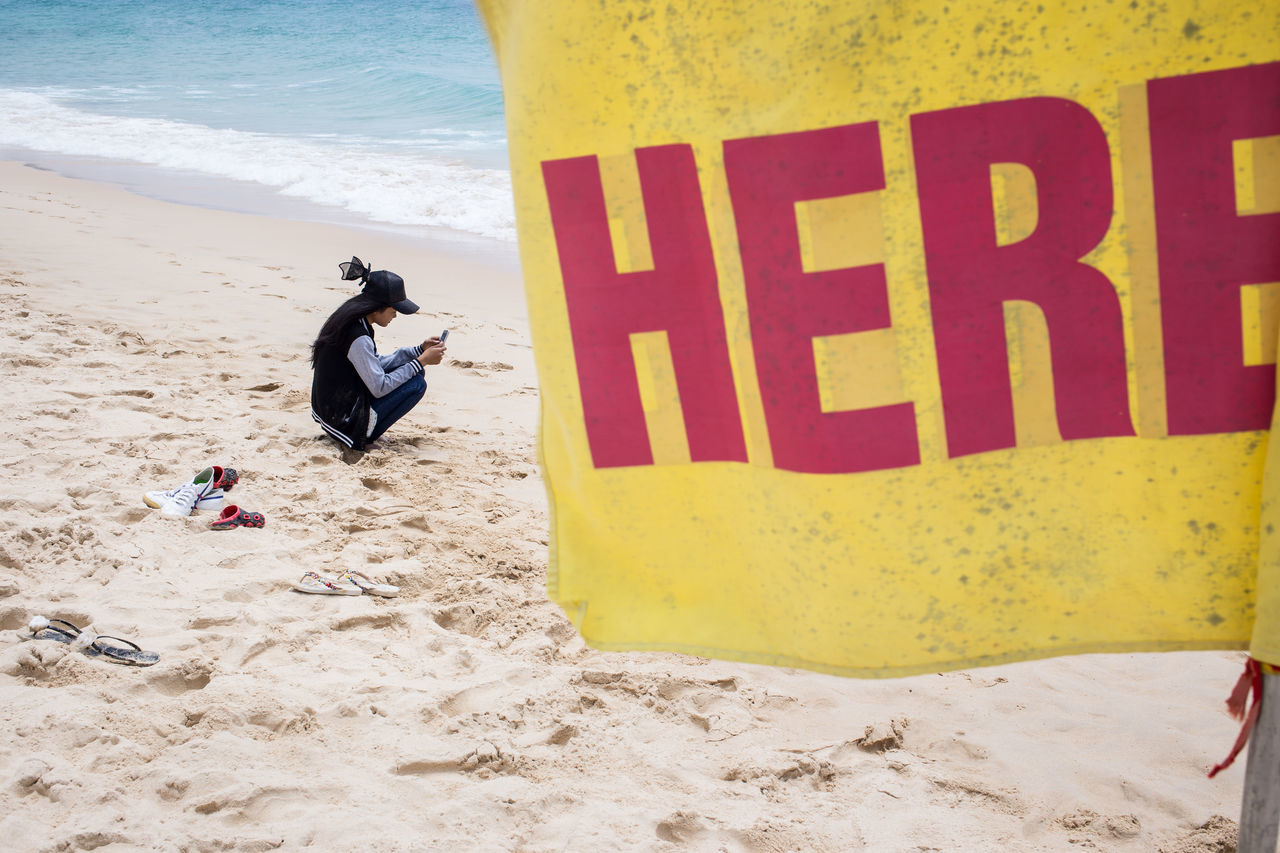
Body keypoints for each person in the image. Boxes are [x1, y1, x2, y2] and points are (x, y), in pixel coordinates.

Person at [310, 256, 446, 450]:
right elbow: (379, 386)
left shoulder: (352, 319)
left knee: (414, 371)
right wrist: (421, 362)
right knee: (417, 383)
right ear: (378, 307)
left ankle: (367, 428)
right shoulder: (358, 337)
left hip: (331, 408)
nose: (395, 315)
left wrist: (418, 351)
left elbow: (373, 364)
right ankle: (365, 435)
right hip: (342, 419)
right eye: (394, 309)